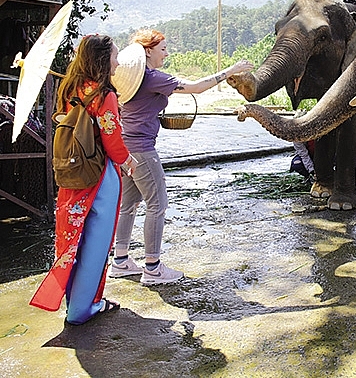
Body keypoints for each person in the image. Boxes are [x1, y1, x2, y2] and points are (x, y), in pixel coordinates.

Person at [109, 29, 253, 284]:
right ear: (149, 51)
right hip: (143, 150)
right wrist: (231, 69)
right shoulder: (152, 77)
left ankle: (120, 261)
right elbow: (197, 87)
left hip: (125, 147)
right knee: (158, 205)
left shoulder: (130, 79)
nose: (166, 53)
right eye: (163, 49)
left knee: (128, 204)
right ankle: (152, 267)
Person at [30, 34, 137, 324]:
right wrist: (129, 162)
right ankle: (83, 308)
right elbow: (112, 140)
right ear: (103, 61)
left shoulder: (70, 88)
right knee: (96, 244)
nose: (117, 62)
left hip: (71, 173)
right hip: (99, 176)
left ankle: (74, 302)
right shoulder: (105, 95)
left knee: (71, 238)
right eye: (114, 56)